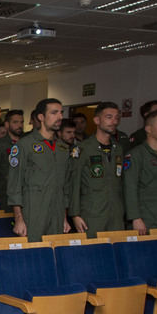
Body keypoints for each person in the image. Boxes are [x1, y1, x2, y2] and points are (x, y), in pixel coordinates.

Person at [9, 99, 71, 241]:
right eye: (54, 113)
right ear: (41, 117)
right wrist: (18, 219)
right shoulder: (24, 145)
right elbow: (15, 185)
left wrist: (64, 217)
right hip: (34, 209)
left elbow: (65, 186)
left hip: (57, 210)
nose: (60, 117)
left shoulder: (63, 148)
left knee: (56, 251)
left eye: (61, 113)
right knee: (33, 253)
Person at [69, 101, 125, 238]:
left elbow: (121, 184)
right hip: (92, 213)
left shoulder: (118, 149)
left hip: (116, 214)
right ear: (97, 120)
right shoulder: (83, 149)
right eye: (109, 117)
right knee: (93, 253)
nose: (114, 121)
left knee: (116, 252)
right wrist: (75, 215)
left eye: (117, 117)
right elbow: (74, 184)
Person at [0, 109, 24, 212]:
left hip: (25, 194)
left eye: (21, 122)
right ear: (7, 124)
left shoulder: (27, 143)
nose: (19, 125)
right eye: (15, 122)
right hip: (6, 195)